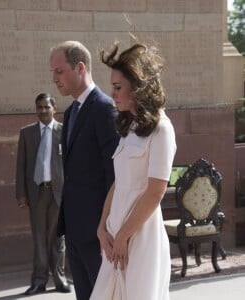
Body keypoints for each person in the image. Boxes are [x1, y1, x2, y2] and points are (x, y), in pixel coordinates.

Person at [90, 40, 177, 300]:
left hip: (141, 240)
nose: (113, 94)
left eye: (118, 87)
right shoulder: (129, 128)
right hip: (116, 237)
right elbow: (119, 183)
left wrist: (123, 237)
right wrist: (102, 228)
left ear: (138, 87)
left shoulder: (161, 129)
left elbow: (155, 192)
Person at [49, 41, 119, 300]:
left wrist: (105, 227)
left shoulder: (104, 109)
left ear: (80, 68)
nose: (54, 79)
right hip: (75, 231)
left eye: (59, 71)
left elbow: (114, 174)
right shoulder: (69, 113)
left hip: (98, 234)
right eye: (52, 73)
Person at [15, 93, 71, 296]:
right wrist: (21, 193)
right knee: (39, 238)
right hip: (36, 193)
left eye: (46, 107)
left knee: (58, 237)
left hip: (59, 192)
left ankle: (60, 278)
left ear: (54, 108)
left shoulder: (64, 132)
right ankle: (39, 281)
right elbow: (21, 165)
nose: (42, 111)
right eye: (39, 107)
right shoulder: (27, 133)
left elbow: (71, 165)